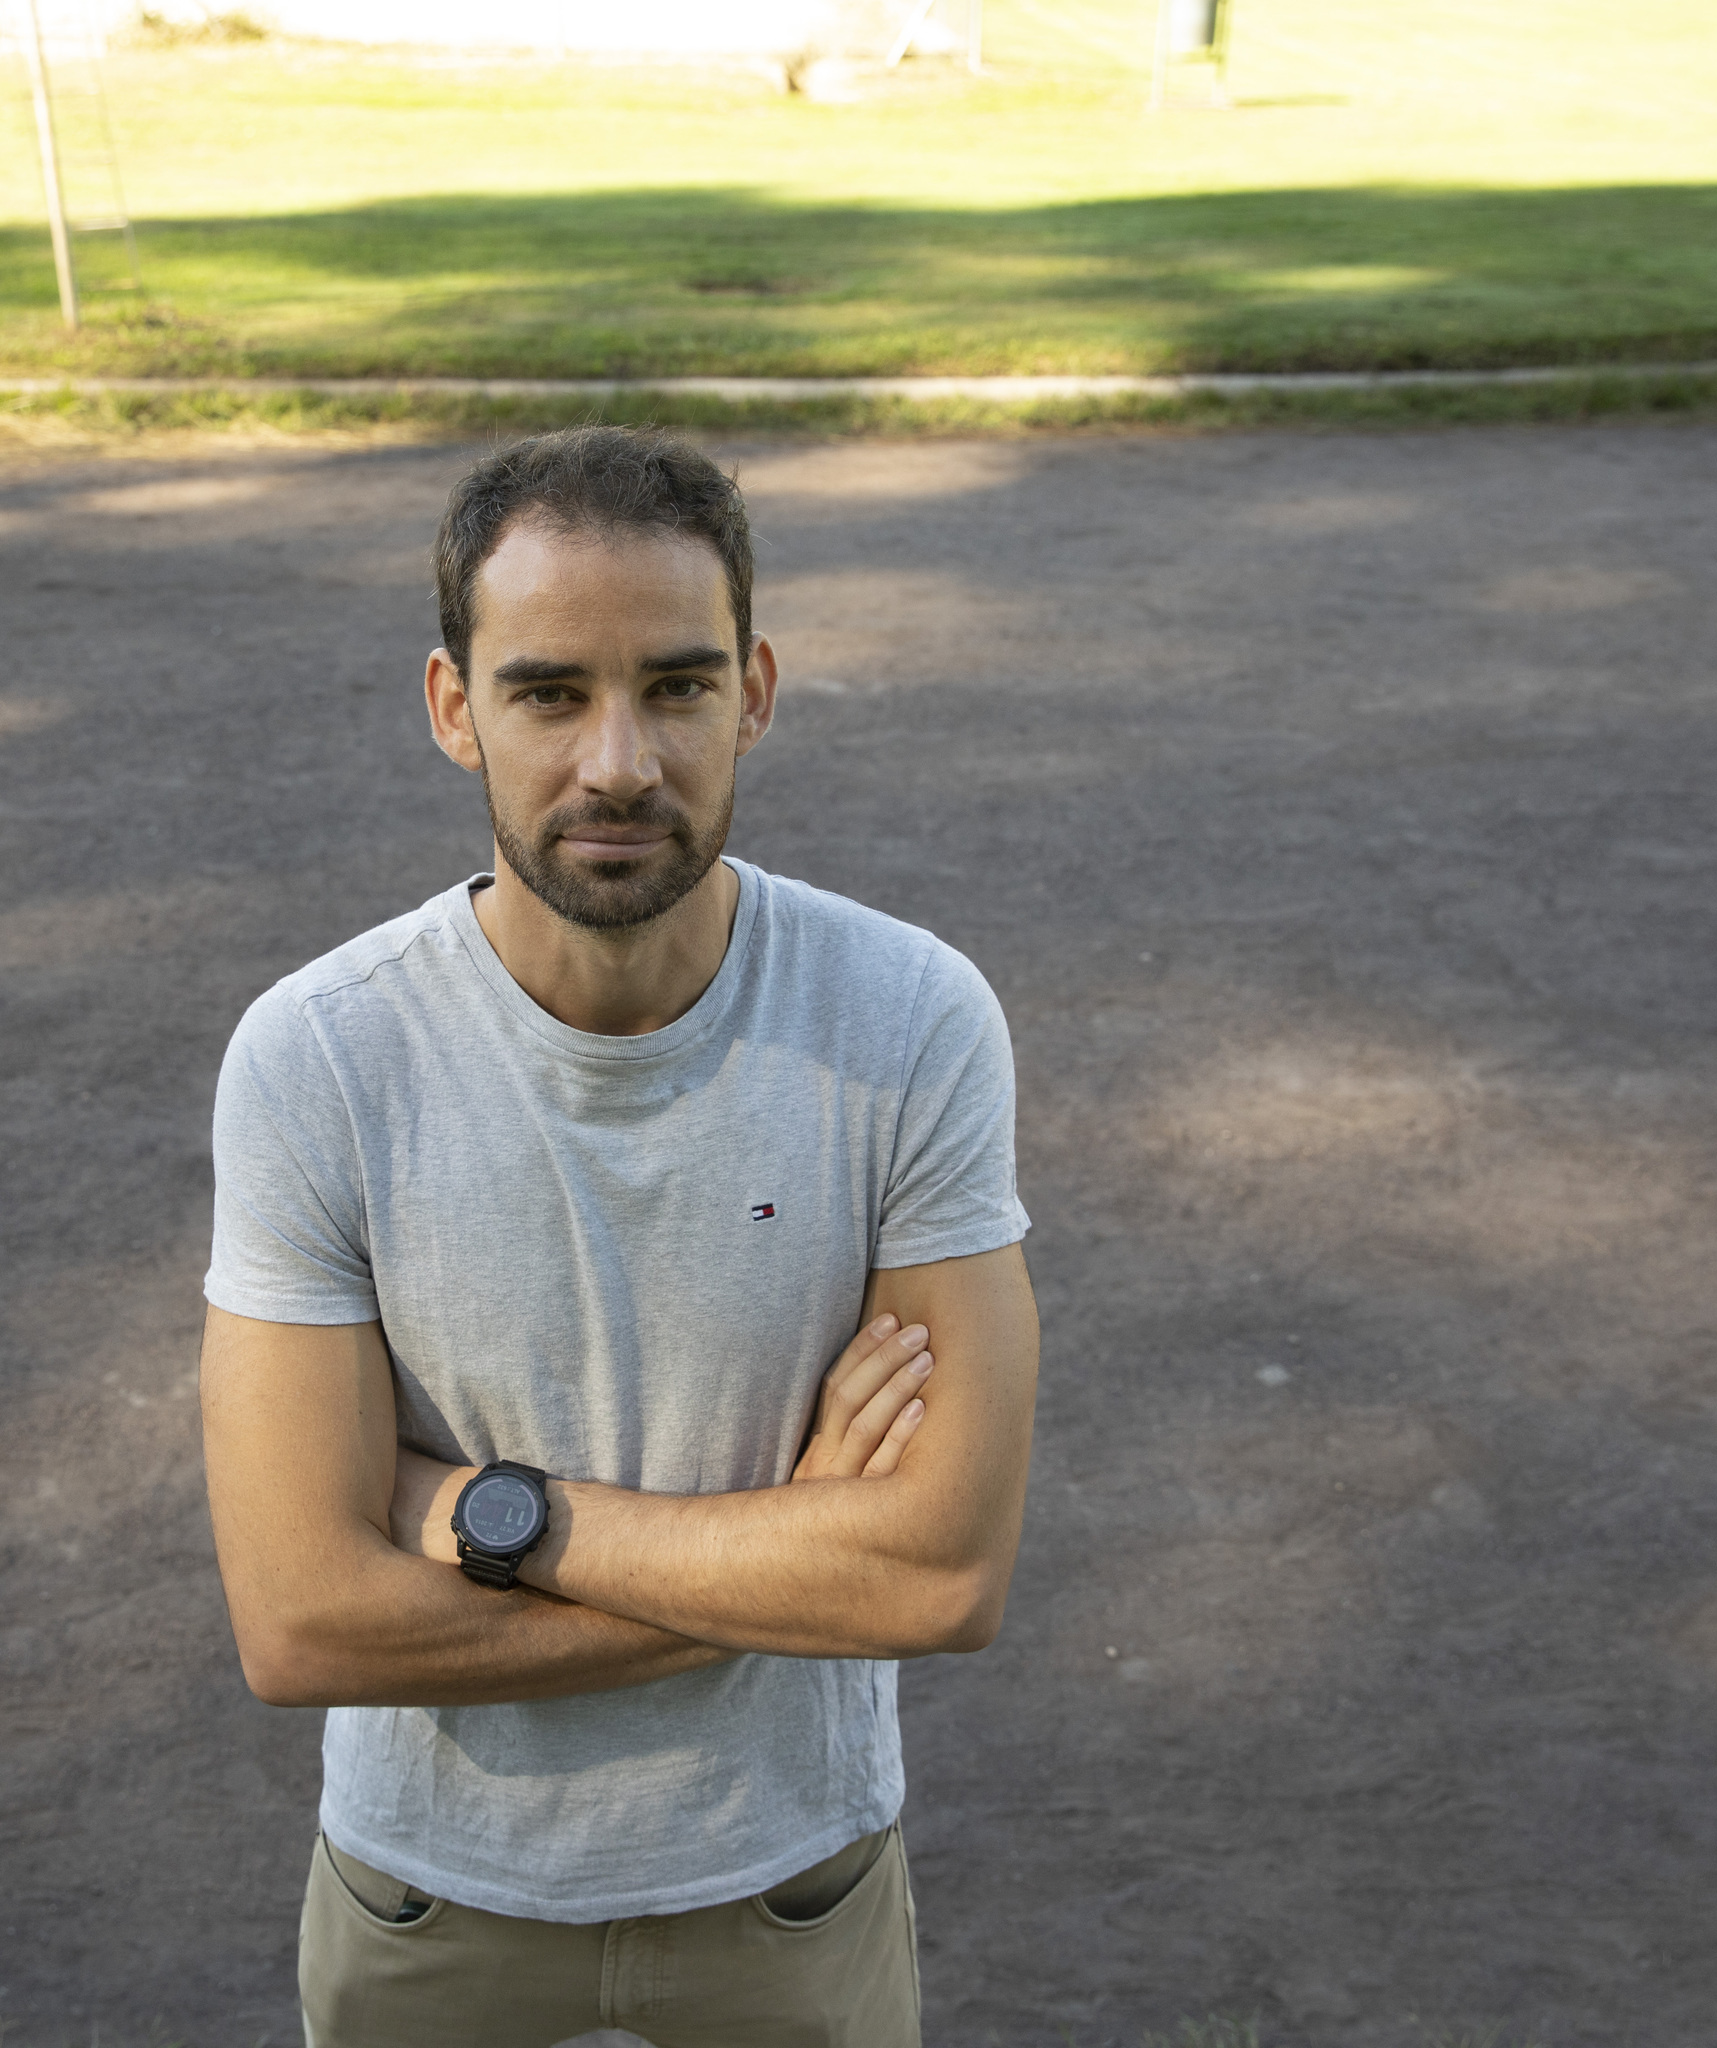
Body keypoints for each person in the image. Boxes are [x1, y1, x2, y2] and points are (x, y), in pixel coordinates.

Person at [199, 425, 1038, 2048]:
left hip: (795, 1887)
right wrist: (793, 1547)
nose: (618, 764)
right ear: (454, 708)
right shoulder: (319, 1057)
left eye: (675, 685)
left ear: (758, 689)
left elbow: (940, 1577)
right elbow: (302, 1620)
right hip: (428, 1905)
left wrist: (489, 1517)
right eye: (547, 692)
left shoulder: (912, 1018)